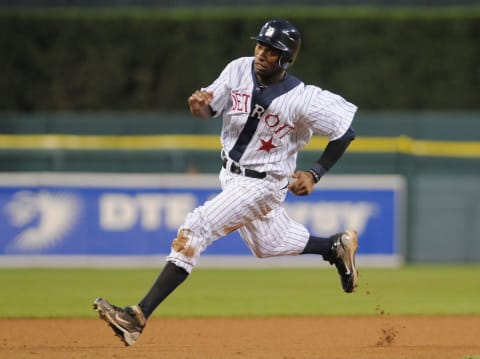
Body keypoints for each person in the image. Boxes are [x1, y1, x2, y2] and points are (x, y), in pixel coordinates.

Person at [94, 19, 359, 346]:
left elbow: (345, 131)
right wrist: (200, 108)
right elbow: (210, 109)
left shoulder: (304, 98)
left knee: (197, 226)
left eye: (272, 51)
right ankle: (334, 246)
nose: (262, 53)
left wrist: (315, 171)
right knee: (268, 245)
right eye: (261, 45)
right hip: (230, 175)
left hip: (264, 183)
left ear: (286, 58)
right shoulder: (237, 69)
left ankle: (137, 316)